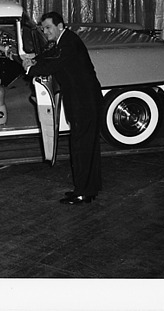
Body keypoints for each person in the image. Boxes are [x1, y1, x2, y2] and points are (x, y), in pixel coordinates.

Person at [23, 12, 103, 205]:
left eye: (48, 27)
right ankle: (89, 189)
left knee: (81, 147)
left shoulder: (67, 43)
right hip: (86, 101)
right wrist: (35, 58)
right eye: (43, 28)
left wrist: (29, 68)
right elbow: (51, 55)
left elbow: (56, 62)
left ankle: (83, 192)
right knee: (87, 147)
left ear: (60, 26)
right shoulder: (65, 40)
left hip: (84, 103)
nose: (45, 31)